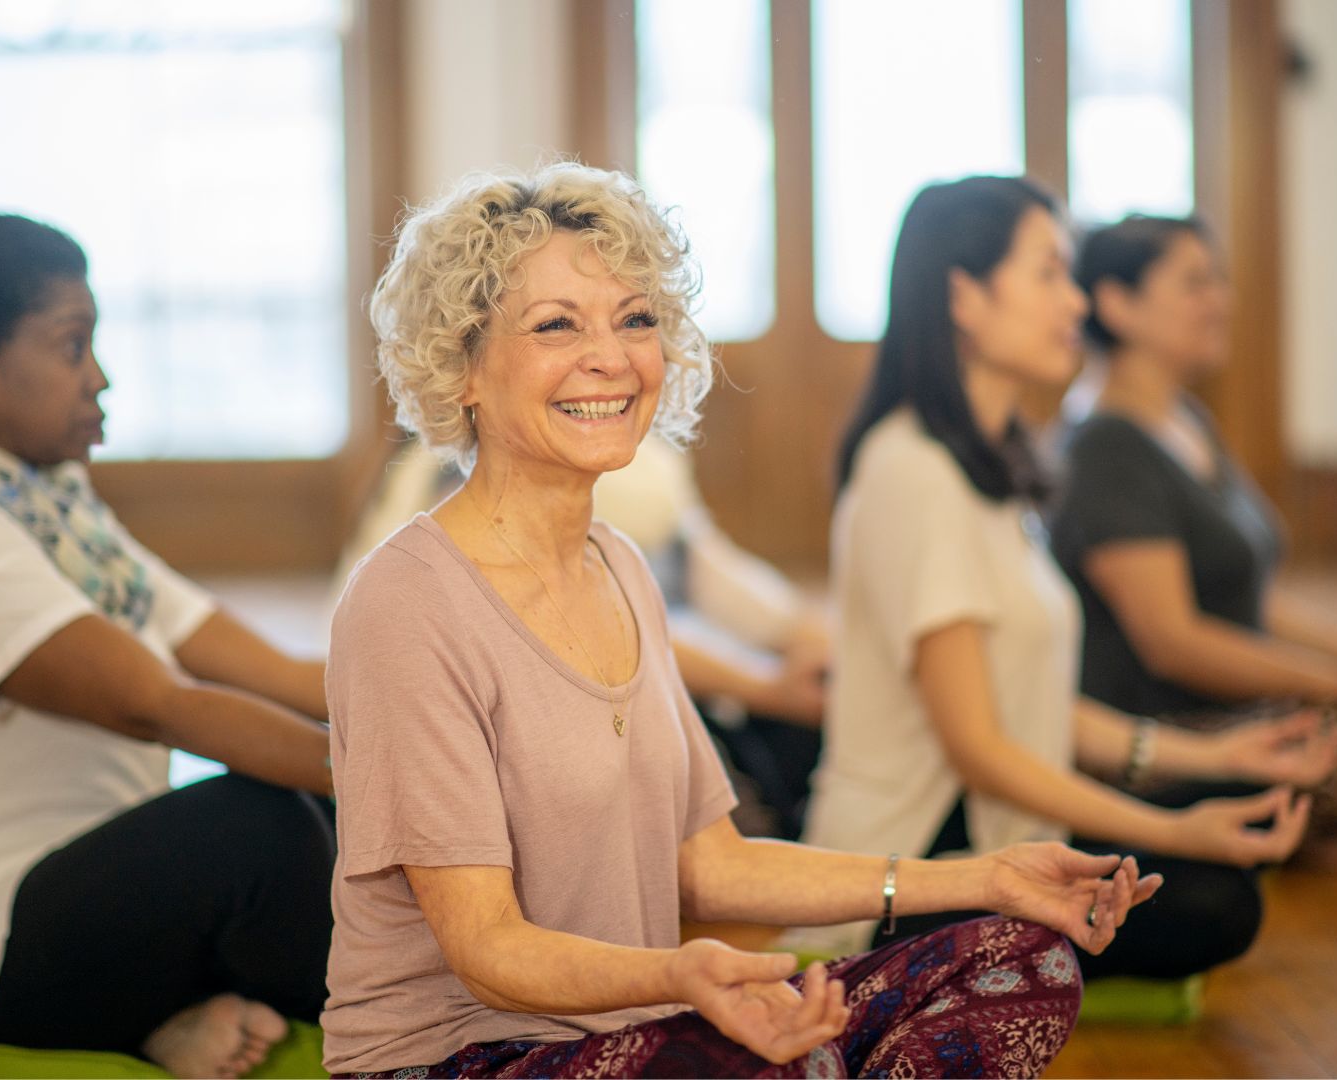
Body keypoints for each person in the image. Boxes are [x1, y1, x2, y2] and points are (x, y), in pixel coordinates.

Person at [323, 162, 1158, 1078]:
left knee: (1020, 956)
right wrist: (686, 974)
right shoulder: (405, 602)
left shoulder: (620, 566)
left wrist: (985, 880)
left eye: (636, 319)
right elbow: (486, 946)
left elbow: (709, 866)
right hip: (466, 1060)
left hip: (640, 1036)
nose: (611, 358)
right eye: (556, 325)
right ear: (462, 365)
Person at [0, 210, 336, 1079]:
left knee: (316, 807)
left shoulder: (63, 524)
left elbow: (282, 677)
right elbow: (159, 705)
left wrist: (480, 701)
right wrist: (403, 788)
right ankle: (435, 1027)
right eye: (71, 345)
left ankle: (159, 1022)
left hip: (56, 896)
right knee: (265, 826)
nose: (100, 378)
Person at [800, 177, 1327, 976]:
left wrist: (1225, 760)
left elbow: (1036, 707)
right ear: (964, 294)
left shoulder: (997, 464)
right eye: (1048, 273)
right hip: (916, 869)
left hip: (999, 836)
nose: (1074, 303)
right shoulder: (911, 470)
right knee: (1212, 894)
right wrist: (1170, 832)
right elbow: (979, 748)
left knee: (1217, 842)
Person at [1051, 214, 1337, 873]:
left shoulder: (1183, 421)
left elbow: (1252, 600)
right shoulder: (1106, 446)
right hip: (1153, 733)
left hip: (1223, 706)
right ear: (1118, 304)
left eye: (1220, 280)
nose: (1220, 300)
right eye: (1195, 282)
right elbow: (1173, 642)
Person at [337, 433, 827, 838]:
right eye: (558, 327)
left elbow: (723, 579)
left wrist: (805, 637)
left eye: (634, 322)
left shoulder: (643, 481)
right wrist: (764, 689)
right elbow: (585, 631)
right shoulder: (463, 489)